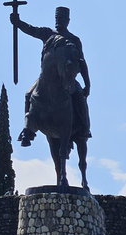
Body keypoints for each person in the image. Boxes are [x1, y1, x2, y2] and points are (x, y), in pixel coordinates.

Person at [10, 6, 91, 146]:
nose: (58, 21)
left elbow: (82, 62)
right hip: (46, 77)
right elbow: (31, 29)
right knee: (28, 94)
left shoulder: (74, 39)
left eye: (62, 18)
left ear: (68, 20)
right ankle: (27, 131)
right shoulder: (48, 33)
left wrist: (87, 84)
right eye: (57, 18)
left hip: (68, 79)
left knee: (79, 97)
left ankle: (84, 127)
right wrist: (17, 22)